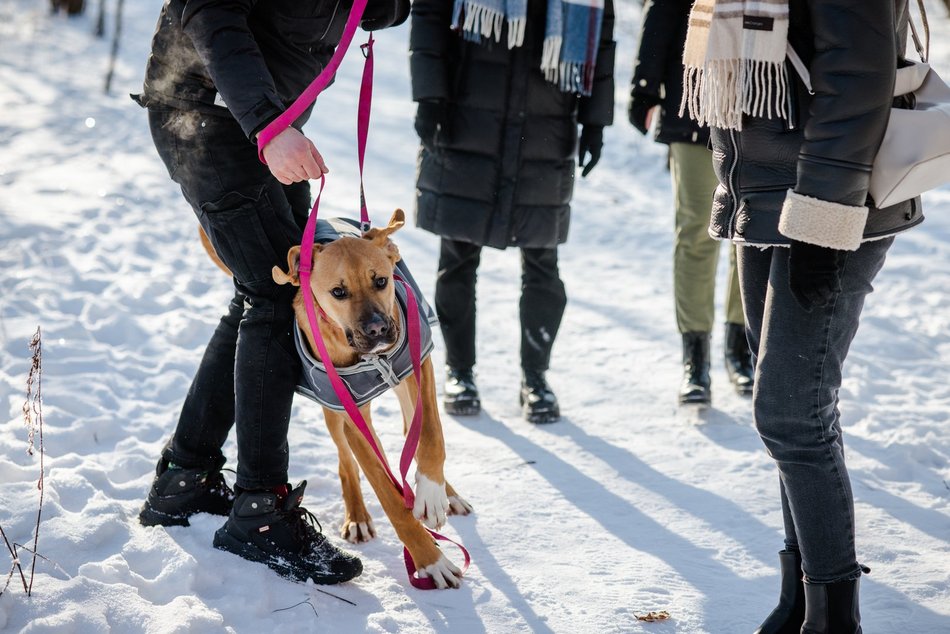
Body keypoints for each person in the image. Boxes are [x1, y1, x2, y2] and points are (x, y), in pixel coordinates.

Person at [132, 0, 409, 585]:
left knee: (261, 293)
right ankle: (259, 513)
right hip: (212, 117)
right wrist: (269, 124)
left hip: (258, 120)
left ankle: (187, 478)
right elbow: (211, 13)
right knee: (274, 296)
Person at [680, 0, 922, 630]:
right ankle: (801, 599)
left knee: (790, 412)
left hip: (831, 206)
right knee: (795, 415)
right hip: (766, 193)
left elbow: (860, 72)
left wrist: (820, 220)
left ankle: (833, 616)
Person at [408, 0, 616, 423]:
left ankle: (535, 379)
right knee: (458, 256)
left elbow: (602, 33)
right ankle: (459, 372)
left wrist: (596, 119)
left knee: (542, 260)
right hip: (467, 118)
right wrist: (430, 95)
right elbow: (429, 12)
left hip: (547, 125)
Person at [628, 0, 754, 407]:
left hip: (760, 102)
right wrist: (645, 85)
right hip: (694, 99)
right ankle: (695, 357)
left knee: (752, 231)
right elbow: (663, 10)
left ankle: (743, 346)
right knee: (698, 229)